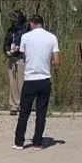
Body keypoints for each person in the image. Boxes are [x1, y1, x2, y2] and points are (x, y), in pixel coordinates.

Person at [13, 15, 59, 150]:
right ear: (42, 23)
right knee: (41, 112)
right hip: (44, 79)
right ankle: (38, 142)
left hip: (30, 79)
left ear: (32, 23)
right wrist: (48, 63)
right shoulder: (52, 37)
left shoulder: (26, 37)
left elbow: (23, 54)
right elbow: (57, 61)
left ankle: (19, 141)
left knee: (24, 112)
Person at [3, 10, 28, 115]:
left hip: (21, 58)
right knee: (12, 83)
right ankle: (14, 105)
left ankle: (24, 105)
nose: (13, 22)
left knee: (21, 82)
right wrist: (7, 51)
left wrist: (19, 49)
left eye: (15, 19)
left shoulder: (25, 31)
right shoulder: (10, 31)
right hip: (12, 59)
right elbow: (6, 43)